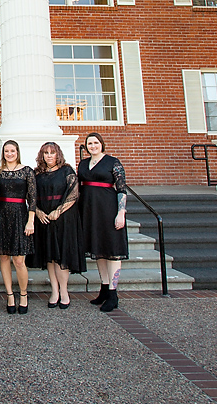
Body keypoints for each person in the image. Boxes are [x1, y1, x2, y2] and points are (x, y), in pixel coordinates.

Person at [27, 142, 85, 309]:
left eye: (52, 152)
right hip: (43, 218)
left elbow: (73, 193)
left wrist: (58, 211)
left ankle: (64, 292)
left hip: (63, 219)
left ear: (58, 154)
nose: (49, 156)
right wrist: (37, 211)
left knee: (61, 257)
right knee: (50, 257)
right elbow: (30, 195)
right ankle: (54, 291)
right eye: (46, 153)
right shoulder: (37, 173)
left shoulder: (67, 171)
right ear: (42, 156)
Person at [79, 132, 128, 312]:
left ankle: (113, 294)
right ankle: (104, 288)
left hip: (109, 209)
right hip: (90, 211)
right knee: (98, 251)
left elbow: (122, 189)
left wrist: (121, 212)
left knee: (112, 251)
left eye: (96, 143)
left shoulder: (113, 162)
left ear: (102, 144)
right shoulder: (83, 164)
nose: (93, 146)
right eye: (89, 143)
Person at [0, 140, 37, 315]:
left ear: (17, 152)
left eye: (12, 150)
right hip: (2, 216)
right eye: (6, 151)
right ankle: (10, 294)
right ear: (3, 153)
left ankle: (23, 294)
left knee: (19, 260)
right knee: (4, 258)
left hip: (20, 216)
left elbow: (32, 198)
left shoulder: (27, 172)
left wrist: (30, 221)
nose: (9, 154)